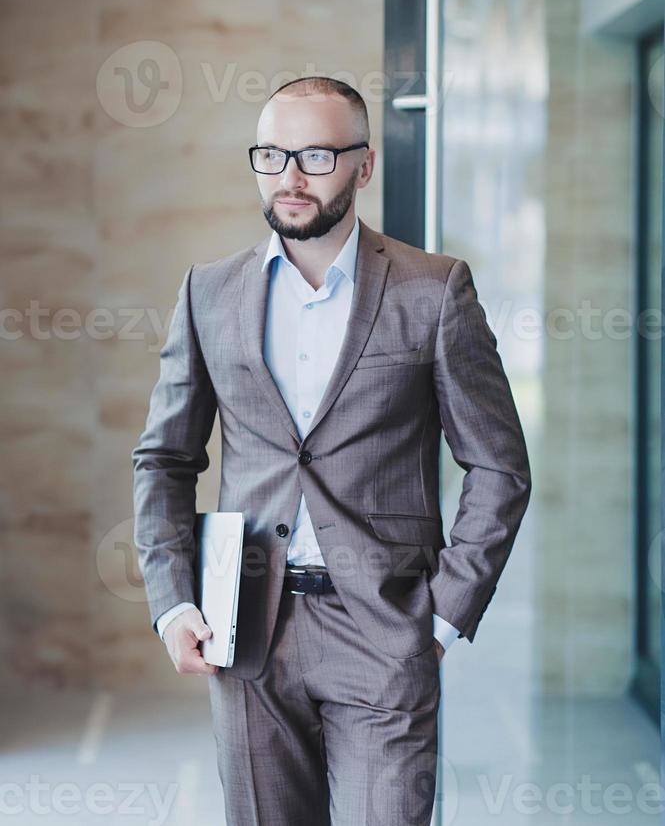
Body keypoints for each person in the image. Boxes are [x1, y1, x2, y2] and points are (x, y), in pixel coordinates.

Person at [132, 76, 531, 825]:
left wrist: (441, 617)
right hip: (245, 625)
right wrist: (173, 601)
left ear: (363, 165)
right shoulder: (208, 292)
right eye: (271, 154)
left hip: (384, 627)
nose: (289, 176)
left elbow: (498, 466)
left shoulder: (432, 290)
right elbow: (162, 459)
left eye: (315, 155)